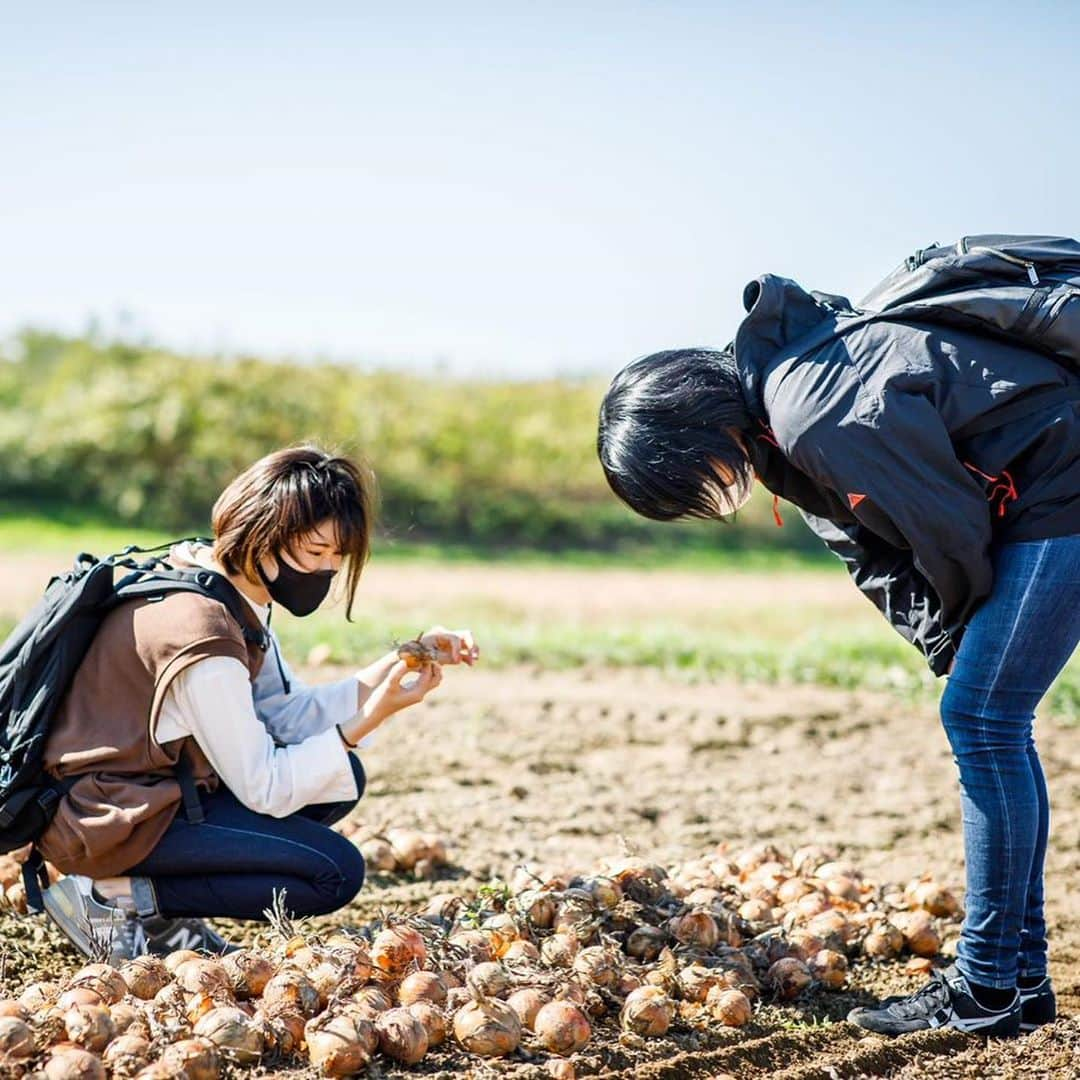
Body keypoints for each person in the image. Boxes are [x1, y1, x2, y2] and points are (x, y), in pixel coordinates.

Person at [597, 261, 1079, 1037]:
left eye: (689, 484)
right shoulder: (777, 430)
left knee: (984, 721)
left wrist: (969, 644)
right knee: (988, 719)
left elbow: (948, 532)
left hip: (1062, 480)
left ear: (693, 436)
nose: (710, 498)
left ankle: (989, 986)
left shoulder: (812, 415)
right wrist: (948, 643)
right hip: (1040, 490)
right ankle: (1017, 981)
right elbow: (871, 556)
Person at [38, 445, 478, 961]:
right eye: (315, 553)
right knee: (333, 872)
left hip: (147, 791)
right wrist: (366, 720)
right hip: (107, 819)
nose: (328, 570)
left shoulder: (220, 582)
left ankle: (152, 905)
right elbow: (264, 784)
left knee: (340, 781)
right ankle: (111, 896)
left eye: (338, 557)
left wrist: (404, 659)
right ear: (263, 535)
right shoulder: (203, 635)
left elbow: (284, 716)